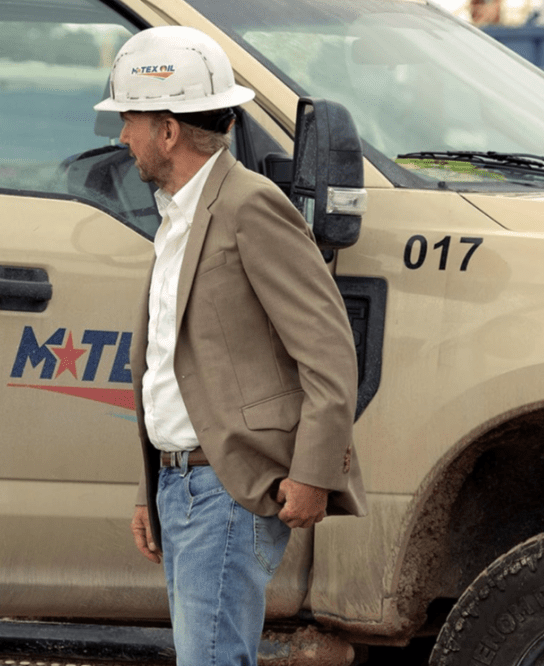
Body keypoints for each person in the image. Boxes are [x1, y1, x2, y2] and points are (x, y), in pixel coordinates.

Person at [94, 26, 367, 666]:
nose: (122, 137)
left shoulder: (250, 206)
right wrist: (151, 486)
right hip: (184, 485)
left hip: (227, 488)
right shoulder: (179, 214)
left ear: (168, 130)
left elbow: (328, 350)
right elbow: (168, 364)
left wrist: (314, 473)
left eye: (129, 121)